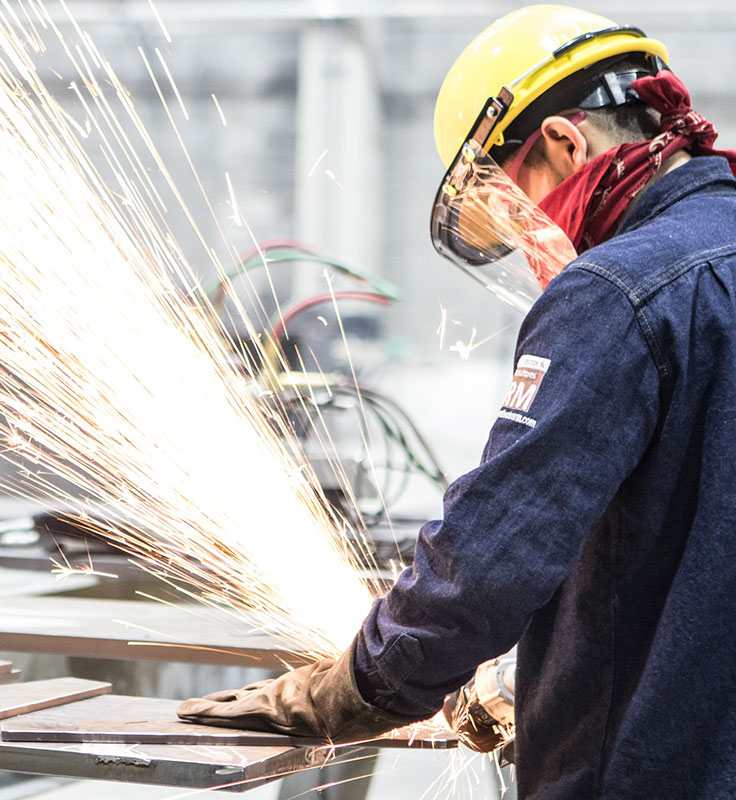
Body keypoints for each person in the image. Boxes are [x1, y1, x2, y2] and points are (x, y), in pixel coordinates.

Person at [178, 6, 736, 798]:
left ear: (563, 143)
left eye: (513, 212)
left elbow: (488, 559)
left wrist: (354, 689)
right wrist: (525, 674)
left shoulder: (616, 294)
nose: (536, 248)